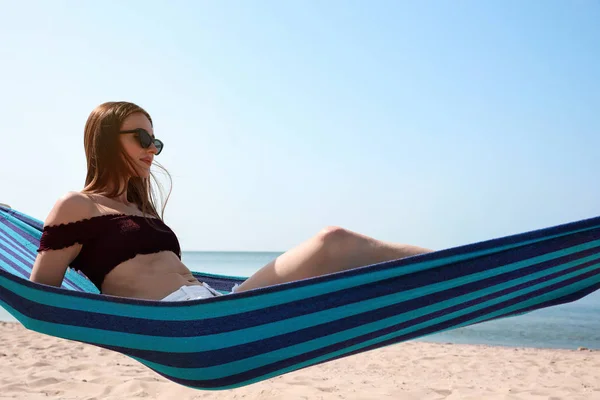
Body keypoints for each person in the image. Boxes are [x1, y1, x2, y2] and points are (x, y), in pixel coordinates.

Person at [30, 101, 432, 302]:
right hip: (185, 323)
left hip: (215, 306)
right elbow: (42, 301)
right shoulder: (77, 206)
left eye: (156, 141)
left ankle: (470, 272)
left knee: (343, 279)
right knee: (333, 241)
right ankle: (467, 262)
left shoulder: (142, 210)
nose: (152, 149)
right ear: (105, 139)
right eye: (142, 138)